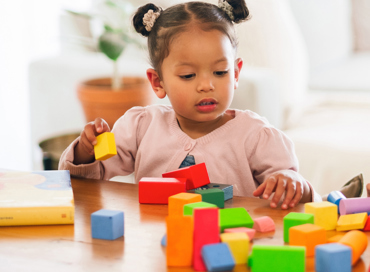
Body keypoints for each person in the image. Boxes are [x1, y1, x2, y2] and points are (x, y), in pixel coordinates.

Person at [59, 0, 322, 209]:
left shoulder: (256, 136)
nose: (206, 85)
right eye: (188, 76)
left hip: (230, 245)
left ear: (236, 73)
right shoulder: (140, 127)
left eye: (220, 72)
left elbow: (297, 194)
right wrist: (85, 151)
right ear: (158, 82)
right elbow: (86, 180)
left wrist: (293, 183)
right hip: (154, 244)